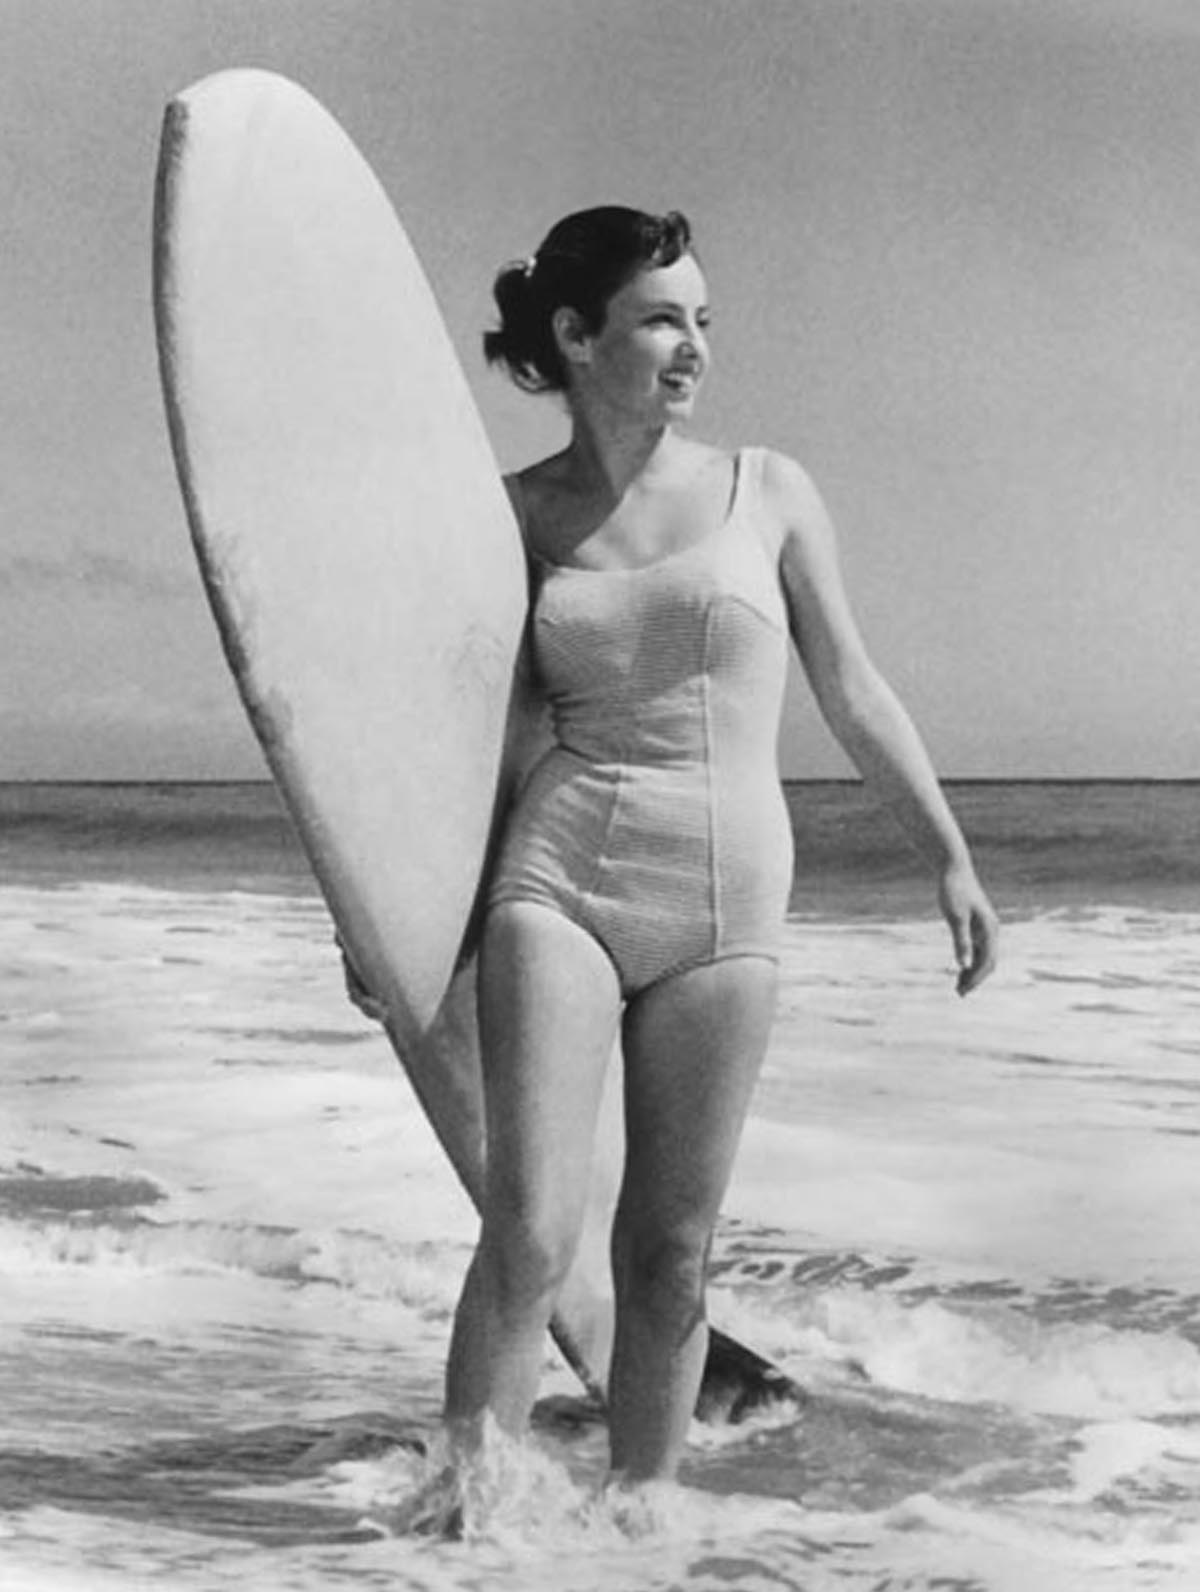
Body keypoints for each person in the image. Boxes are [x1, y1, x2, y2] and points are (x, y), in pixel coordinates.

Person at [387, 205, 998, 1513]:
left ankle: (642, 1520)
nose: (694, 345)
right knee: (531, 1229)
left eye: (702, 320)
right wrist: (392, 912)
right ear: (577, 335)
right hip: (557, 881)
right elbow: (475, 737)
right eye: (662, 319)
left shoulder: (767, 492)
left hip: (724, 906)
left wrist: (946, 854)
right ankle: (466, 1522)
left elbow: (852, 687)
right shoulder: (516, 517)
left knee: (669, 1253)